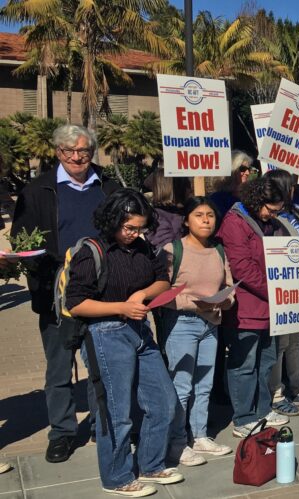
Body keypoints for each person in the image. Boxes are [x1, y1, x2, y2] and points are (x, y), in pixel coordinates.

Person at [8, 125, 118, 464]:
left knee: (101, 367)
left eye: (83, 151)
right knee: (59, 371)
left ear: (92, 152)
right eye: (69, 151)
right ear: (57, 152)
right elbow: (22, 240)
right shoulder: (37, 190)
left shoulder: (108, 186)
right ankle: (62, 433)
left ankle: (104, 429)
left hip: (100, 291)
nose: (76, 157)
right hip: (57, 294)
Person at [65, 189, 182, 496]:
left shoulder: (144, 247)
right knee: (116, 412)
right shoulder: (92, 252)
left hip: (139, 330)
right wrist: (121, 307)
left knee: (163, 401)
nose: (134, 234)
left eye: (140, 228)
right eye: (128, 227)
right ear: (112, 220)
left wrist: (141, 296)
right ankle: (117, 477)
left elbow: (163, 280)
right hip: (105, 333)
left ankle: (151, 464)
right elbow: (76, 303)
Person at [158, 197, 235, 466]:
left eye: (210, 215)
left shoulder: (218, 250)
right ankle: (177, 443)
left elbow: (229, 285)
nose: (205, 220)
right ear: (187, 220)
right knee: (181, 385)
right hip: (182, 324)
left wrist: (225, 301)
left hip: (211, 324)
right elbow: (160, 292)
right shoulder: (172, 249)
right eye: (199, 214)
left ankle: (200, 435)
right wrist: (193, 303)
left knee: (204, 384)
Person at [217, 177, 291, 435]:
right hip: (247, 308)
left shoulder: (271, 224)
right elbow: (243, 268)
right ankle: (243, 417)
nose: (273, 215)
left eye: (277, 211)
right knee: (244, 364)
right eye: (270, 210)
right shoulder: (235, 223)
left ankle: (262, 409)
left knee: (267, 361)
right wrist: (278, 290)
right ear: (257, 201)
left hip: (270, 307)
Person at [261, 170, 299, 416]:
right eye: (290, 186)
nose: (293, 189)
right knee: (281, 344)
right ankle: (277, 394)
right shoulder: (273, 219)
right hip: (283, 290)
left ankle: (297, 388)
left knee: (297, 342)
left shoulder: (296, 213)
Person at [147, 168, 192, 249]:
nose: (190, 189)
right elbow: (169, 250)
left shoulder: (182, 210)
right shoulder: (157, 216)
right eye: (186, 184)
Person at [210, 151, 254, 216]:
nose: (247, 173)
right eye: (243, 169)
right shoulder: (218, 199)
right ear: (232, 170)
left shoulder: (249, 196)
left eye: (249, 169)